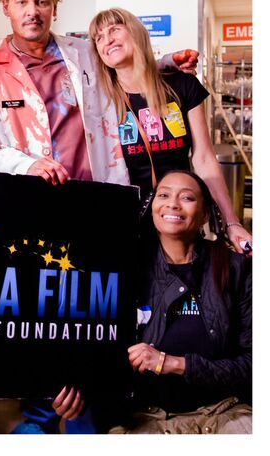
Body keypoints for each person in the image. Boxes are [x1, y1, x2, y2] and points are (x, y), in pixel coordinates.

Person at [0, 0, 195, 434]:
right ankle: (40, 419)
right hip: (36, 217)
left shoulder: (82, 52)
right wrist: (25, 164)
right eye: (22, 2)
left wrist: (169, 62)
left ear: (54, 6)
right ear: (6, 6)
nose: (33, 11)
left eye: (42, 1)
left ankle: (94, 420)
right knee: (42, 319)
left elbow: (125, 65)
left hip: (98, 210)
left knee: (99, 316)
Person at [89, 7, 252, 253]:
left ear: (135, 32)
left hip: (179, 220)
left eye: (114, 29)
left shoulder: (182, 85)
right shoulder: (99, 100)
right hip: (125, 225)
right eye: (99, 37)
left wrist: (232, 222)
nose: (107, 40)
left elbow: (204, 158)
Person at [109, 170, 251, 433]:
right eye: (164, 195)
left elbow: (254, 364)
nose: (173, 204)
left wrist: (173, 363)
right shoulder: (127, 268)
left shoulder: (235, 268)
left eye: (187, 197)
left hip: (223, 412)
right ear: (152, 207)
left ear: (205, 214)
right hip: (145, 416)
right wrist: (78, 392)